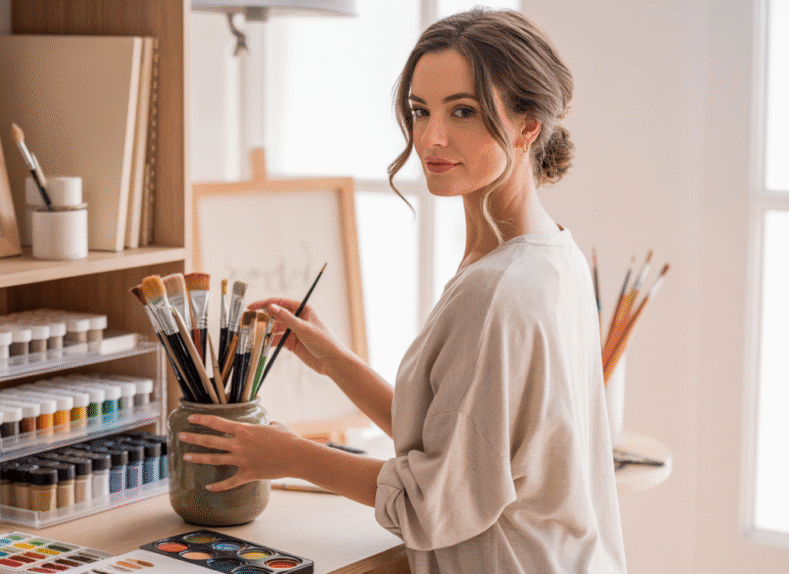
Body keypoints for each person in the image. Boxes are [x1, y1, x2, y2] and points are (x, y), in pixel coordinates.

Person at [178, 7, 626, 573]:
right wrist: (337, 362)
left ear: (527, 124)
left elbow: (432, 501)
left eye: (462, 111)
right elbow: (464, 445)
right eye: (420, 111)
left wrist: (290, 455)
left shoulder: (498, 291)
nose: (431, 137)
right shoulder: (551, 255)